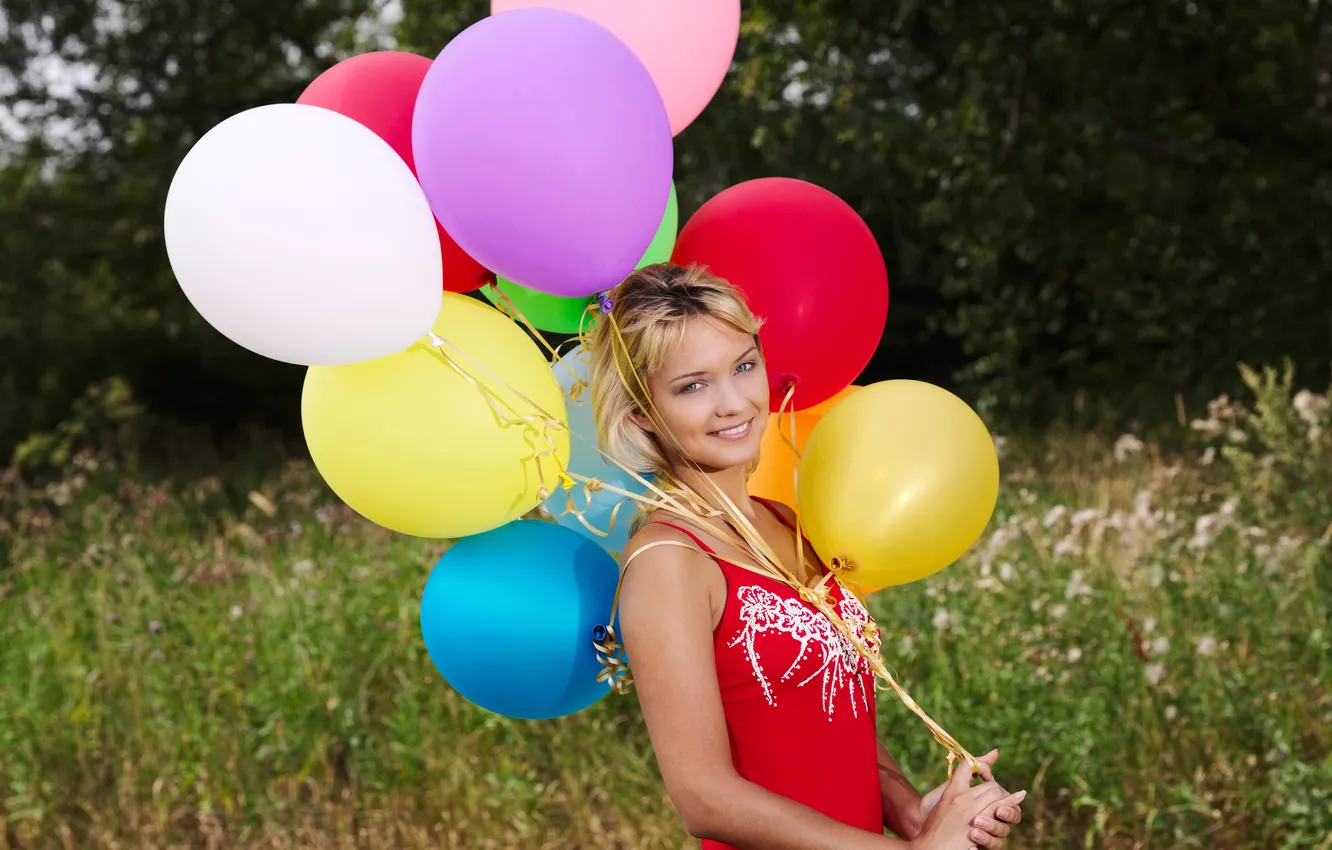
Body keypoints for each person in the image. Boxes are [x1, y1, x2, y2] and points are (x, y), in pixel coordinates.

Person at [587, 263, 1026, 850]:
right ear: (643, 411)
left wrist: (911, 812)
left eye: (744, 366)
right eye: (693, 385)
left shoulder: (788, 521)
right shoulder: (669, 560)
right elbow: (704, 797)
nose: (733, 402)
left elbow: (823, 714)